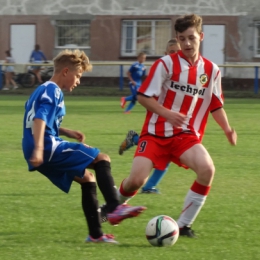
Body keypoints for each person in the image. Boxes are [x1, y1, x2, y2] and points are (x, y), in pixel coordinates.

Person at [116, 14, 237, 238]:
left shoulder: (211, 71)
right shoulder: (166, 64)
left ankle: (183, 225)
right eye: (182, 39)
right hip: (154, 133)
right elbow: (143, 97)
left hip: (185, 135)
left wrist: (227, 129)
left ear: (201, 36)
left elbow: (215, 104)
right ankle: (109, 210)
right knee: (136, 181)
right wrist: (167, 114)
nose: (187, 43)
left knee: (207, 169)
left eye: (191, 38)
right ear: (177, 39)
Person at [22, 49, 146, 244]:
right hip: (46, 147)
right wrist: (39, 148)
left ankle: (96, 235)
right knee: (102, 158)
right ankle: (114, 208)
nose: (78, 81)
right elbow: (39, 119)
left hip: (39, 146)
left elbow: (38, 119)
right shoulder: (52, 90)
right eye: (78, 75)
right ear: (65, 71)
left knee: (88, 179)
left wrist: (66, 131)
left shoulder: (43, 89)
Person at [118, 39, 181, 194]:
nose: (176, 55)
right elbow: (147, 94)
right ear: (166, 54)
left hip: (173, 118)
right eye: (172, 52)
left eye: (178, 52)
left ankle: (134, 140)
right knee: (165, 152)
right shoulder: (161, 69)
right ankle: (148, 186)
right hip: (161, 116)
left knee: (166, 154)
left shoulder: (184, 71)